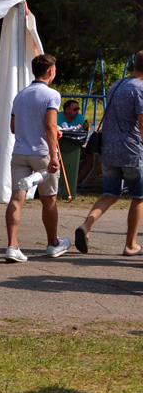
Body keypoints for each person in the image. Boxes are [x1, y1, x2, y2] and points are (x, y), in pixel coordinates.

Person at [73, 50, 143, 257]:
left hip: (109, 149)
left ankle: (86, 225)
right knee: (139, 197)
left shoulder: (117, 84)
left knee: (110, 194)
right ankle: (131, 244)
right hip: (131, 150)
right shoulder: (140, 89)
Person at [4, 53, 70, 262]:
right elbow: (50, 125)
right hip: (42, 153)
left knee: (17, 197)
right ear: (51, 71)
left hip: (20, 152)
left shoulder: (20, 95)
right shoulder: (52, 95)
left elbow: (14, 127)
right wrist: (53, 156)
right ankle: (52, 244)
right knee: (48, 200)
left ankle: (12, 246)